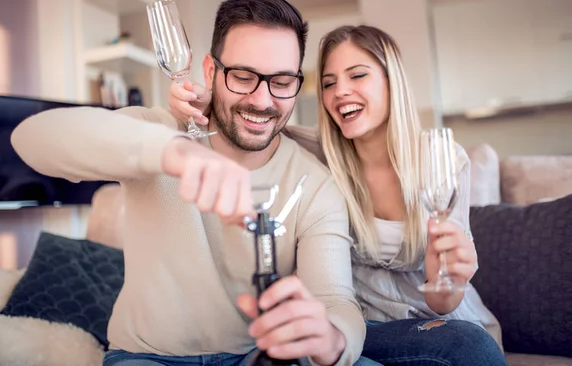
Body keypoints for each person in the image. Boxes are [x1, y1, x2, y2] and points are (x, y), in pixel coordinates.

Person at [11, 0, 368, 366]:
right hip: (148, 357)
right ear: (211, 71)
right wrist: (173, 151)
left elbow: (335, 299)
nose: (263, 101)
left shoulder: (314, 183)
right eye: (244, 77)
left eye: (281, 82)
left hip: (256, 356)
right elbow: (32, 137)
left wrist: (331, 340)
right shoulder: (160, 131)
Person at [169, 25, 508, 365]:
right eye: (329, 83)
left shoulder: (442, 161)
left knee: (467, 346)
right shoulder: (319, 154)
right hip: (359, 329)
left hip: (436, 324)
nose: (340, 92)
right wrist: (209, 100)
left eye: (357, 76)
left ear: (393, 81)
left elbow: (444, 301)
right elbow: (258, 121)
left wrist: (449, 278)